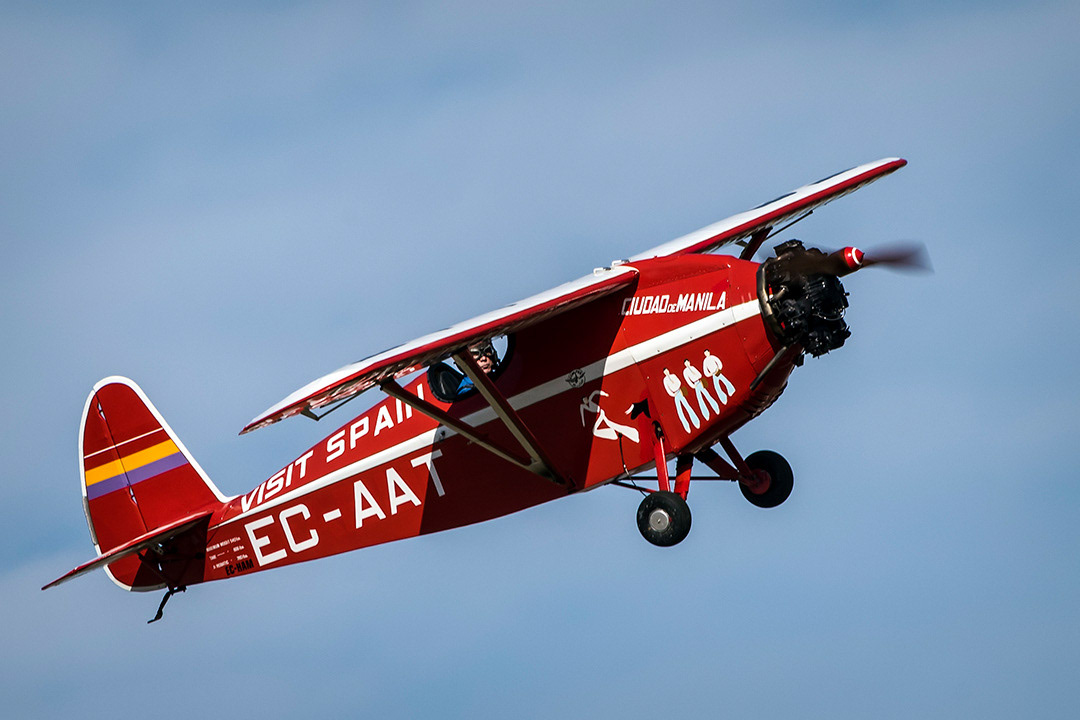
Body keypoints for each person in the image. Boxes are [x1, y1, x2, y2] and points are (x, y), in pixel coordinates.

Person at [663, 367, 700, 434]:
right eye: (665, 372)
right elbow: (667, 388)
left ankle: (696, 422)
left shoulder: (673, 376)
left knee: (687, 406)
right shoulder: (665, 380)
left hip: (680, 391)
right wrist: (672, 394)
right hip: (675, 395)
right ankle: (686, 427)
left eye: (667, 371)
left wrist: (677, 387)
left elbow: (679, 382)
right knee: (680, 411)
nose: (667, 372)